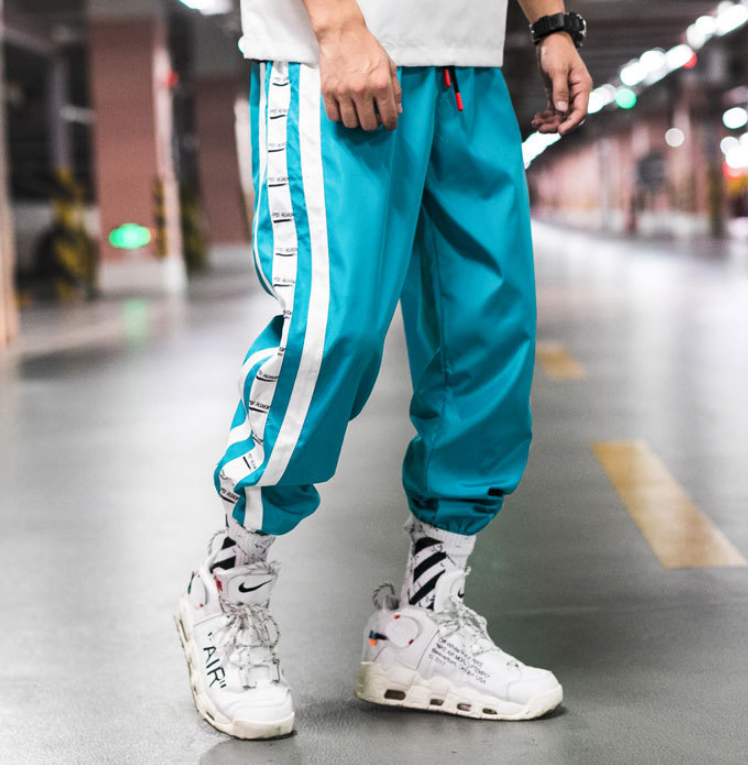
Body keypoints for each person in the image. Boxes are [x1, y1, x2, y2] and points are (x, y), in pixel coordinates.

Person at [175, 0, 592, 740]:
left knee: (486, 335)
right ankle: (227, 585)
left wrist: (550, 24)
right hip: (334, 53)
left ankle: (423, 622)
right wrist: (337, 26)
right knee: (333, 332)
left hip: (468, 66)